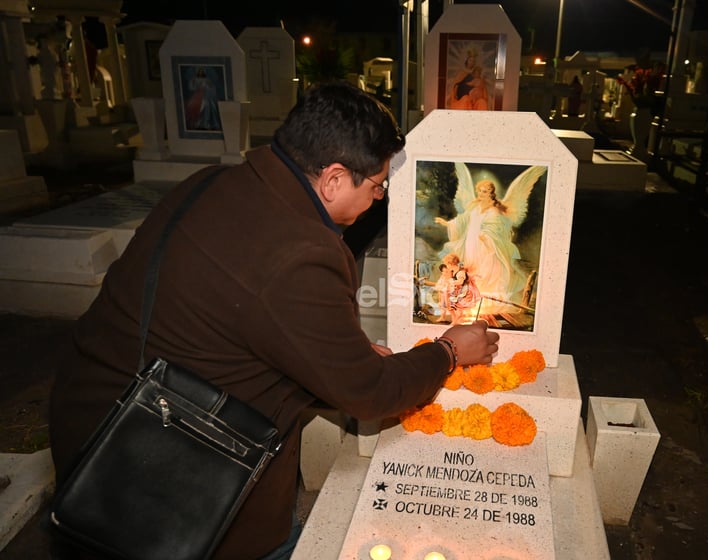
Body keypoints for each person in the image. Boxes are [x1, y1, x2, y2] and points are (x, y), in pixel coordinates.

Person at [48, 82, 499, 560]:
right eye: (376, 185)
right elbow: (370, 393)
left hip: (98, 423)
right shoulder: (299, 255)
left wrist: (337, 348)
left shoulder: (215, 184)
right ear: (333, 179)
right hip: (167, 474)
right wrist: (449, 350)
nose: (379, 198)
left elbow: (246, 321)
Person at [434, 164, 545, 316]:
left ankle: (485, 301)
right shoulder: (474, 205)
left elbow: (498, 228)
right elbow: (463, 220)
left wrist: (486, 236)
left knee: (486, 271)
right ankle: (469, 299)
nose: (480, 193)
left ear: (491, 193)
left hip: (487, 246)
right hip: (471, 243)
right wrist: (447, 223)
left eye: (484, 191)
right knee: (471, 269)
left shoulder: (495, 210)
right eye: (479, 190)